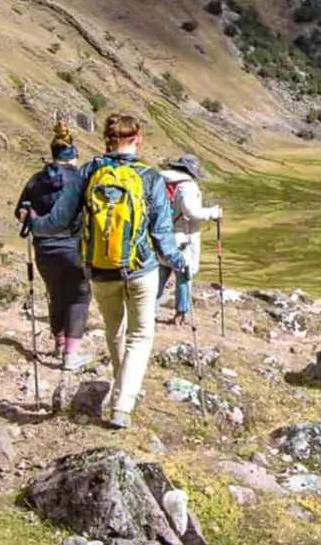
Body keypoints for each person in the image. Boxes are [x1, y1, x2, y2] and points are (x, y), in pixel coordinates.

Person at [20, 113, 185, 429]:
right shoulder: (149, 178)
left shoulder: (88, 172)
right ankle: (123, 403)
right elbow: (162, 236)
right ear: (137, 139)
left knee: (116, 331)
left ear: (107, 140)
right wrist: (179, 262)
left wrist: (34, 224)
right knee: (141, 334)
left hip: (99, 269)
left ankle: (122, 388)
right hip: (141, 269)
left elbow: (58, 220)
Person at [14, 120, 91, 371]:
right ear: (74, 155)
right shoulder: (81, 180)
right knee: (79, 295)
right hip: (74, 246)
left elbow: (21, 213)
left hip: (44, 249)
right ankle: (70, 354)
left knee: (55, 293)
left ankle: (59, 340)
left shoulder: (36, 180)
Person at [157, 154, 222, 325]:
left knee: (160, 274)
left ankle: (148, 309)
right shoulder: (187, 186)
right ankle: (180, 313)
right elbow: (191, 212)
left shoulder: (161, 180)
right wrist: (212, 213)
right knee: (184, 275)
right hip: (183, 238)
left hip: (161, 235)